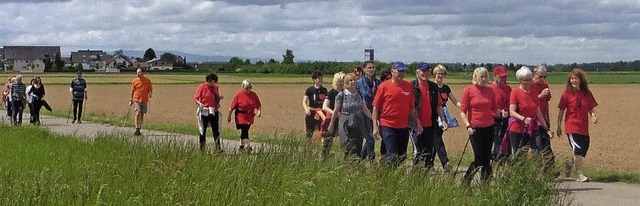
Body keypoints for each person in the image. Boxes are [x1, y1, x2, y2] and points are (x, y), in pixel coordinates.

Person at [372, 62, 421, 166]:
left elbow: (412, 107)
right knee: (392, 153)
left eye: (403, 71)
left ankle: (385, 170)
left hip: (403, 126)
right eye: (399, 71)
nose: (401, 73)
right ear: (392, 72)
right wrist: (375, 127)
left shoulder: (408, 86)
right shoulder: (384, 86)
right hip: (387, 125)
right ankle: (385, 175)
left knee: (401, 156)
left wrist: (418, 122)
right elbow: (376, 107)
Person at [556, 68, 598, 182]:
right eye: (571, 78)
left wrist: (593, 116)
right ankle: (580, 175)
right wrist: (558, 125)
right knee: (578, 150)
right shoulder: (566, 94)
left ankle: (570, 162)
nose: (573, 81)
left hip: (583, 127)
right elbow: (561, 111)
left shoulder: (587, 93)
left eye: (575, 78)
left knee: (583, 150)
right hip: (572, 126)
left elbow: (591, 107)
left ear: (581, 80)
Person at [459, 67, 498, 183]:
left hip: (489, 127)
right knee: (479, 157)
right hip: (475, 128)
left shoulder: (490, 91)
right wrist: (468, 126)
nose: (484, 79)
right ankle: (466, 180)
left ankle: (485, 183)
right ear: (475, 77)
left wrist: (501, 112)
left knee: (487, 157)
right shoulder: (468, 91)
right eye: (481, 76)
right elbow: (462, 111)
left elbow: (494, 108)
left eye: (486, 76)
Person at [409, 62, 447, 169]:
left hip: (430, 125)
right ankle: (415, 176)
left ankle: (424, 176)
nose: (425, 73)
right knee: (418, 152)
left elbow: (439, 106)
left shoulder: (433, 87)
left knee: (428, 153)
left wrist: (443, 119)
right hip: (415, 125)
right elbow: (410, 107)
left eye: (427, 71)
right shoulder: (411, 86)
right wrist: (417, 122)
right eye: (423, 71)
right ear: (417, 72)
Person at [508, 67, 552, 154]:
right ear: (520, 80)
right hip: (518, 127)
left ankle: (535, 167)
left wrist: (546, 128)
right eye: (525, 80)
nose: (528, 82)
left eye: (529, 80)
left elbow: (537, 111)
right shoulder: (515, 92)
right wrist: (523, 119)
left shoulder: (534, 92)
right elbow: (512, 111)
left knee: (537, 150)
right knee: (519, 154)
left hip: (533, 126)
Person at [328, 73, 373, 159]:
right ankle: (349, 166)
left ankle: (356, 167)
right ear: (346, 83)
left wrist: (373, 120)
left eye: (354, 80)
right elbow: (336, 111)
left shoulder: (359, 93)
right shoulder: (341, 95)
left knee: (358, 146)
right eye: (350, 80)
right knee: (349, 147)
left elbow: (365, 109)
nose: (353, 82)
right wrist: (331, 124)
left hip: (358, 123)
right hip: (346, 123)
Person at [429, 64, 461, 171]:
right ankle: (445, 162)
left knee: (435, 140)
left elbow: (454, 100)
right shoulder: (431, 86)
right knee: (437, 139)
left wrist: (463, 106)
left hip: (443, 116)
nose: (440, 75)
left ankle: (429, 163)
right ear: (435, 74)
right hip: (432, 115)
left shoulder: (446, 88)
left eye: (442, 73)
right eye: (438, 73)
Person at [530, 65, 556, 167]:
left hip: (544, 119)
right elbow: (528, 101)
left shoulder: (545, 85)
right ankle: (536, 168)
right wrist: (540, 96)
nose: (542, 79)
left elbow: (546, 102)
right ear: (534, 74)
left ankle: (550, 169)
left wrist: (547, 117)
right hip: (533, 120)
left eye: (545, 77)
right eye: (540, 76)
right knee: (535, 146)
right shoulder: (530, 85)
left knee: (546, 145)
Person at [228, 79, 262, 151]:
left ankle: (241, 145)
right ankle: (248, 145)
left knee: (245, 130)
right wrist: (229, 116)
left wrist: (259, 111)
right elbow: (232, 107)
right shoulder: (239, 95)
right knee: (244, 130)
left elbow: (258, 104)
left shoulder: (253, 95)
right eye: (247, 88)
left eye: (250, 87)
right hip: (241, 116)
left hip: (250, 116)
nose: (248, 89)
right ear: (243, 87)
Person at [357, 60, 381, 159]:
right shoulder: (359, 83)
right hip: (364, 112)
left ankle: (360, 160)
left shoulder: (378, 82)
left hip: (375, 112)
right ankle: (371, 160)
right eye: (369, 68)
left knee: (371, 138)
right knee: (370, 138)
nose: (371, 69)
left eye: (373, 68)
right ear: (364, 69)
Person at [195, 73, 223, 151]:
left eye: (214, 82)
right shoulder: (202, 86)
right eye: (212, 81)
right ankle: (202, 148)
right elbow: (196, 98)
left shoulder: (216, 87)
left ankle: (218, 148)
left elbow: (216, 98)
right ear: (208, 81)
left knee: (216, 130)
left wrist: (219, 98)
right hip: (204, 110)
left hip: (213, 110)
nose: (213, 83)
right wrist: (199, 103)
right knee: (203, 130)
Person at [490, 65, 512, 160]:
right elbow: (487, 107)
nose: (503, 79)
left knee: (506, 145)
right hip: (495, 121)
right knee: (496, 146)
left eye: (505, 77)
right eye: (501, 76)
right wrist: (498, 113)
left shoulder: (508, 89)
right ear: (495, 76)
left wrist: (508, 113)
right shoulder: (490, 89)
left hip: (507, 120)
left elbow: (512, 103)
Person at [321, 72, 346, 156]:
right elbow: (324, 106)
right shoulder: (331, 93)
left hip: (344, 118)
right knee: (328, 139)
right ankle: (324, 156)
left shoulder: (346, 92)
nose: (342, 83)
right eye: (340, 81)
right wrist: (334, 113)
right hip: (333, 118)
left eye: (343, 81)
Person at [302, 70, 328, 139]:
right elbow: (304, 101)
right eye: (319, 78)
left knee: (323, 132)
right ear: (314, 79)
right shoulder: (309, 90)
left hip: (322, 114)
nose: (321, 80)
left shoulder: (325, 90)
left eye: (322, 78)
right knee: (309, 133)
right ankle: (308, 147)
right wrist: (306, 109)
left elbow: (327, 102)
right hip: (311, 113)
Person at [130, 69, 153, 136]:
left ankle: (139, 128)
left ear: (143, 73)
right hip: (137, 99)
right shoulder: (134, 81)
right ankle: (137, 128)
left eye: (139, 72)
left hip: (145, 100)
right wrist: (131, 100)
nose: (138, 74)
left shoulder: (148, 81)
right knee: (138, 113)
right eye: (137, 72)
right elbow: (132, 91)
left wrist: (150, 93)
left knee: (142, 114)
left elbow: (150, 89)